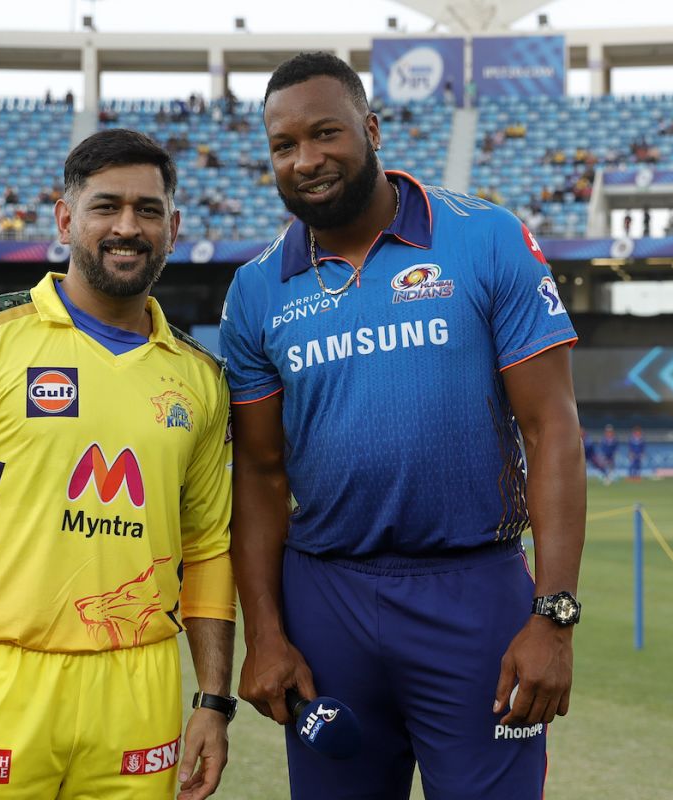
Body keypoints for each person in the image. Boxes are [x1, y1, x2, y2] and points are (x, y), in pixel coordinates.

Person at [219, 52, 585, 800]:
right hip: (326, 603)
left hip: (474, 594)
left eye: (326, 134)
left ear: (372, 128)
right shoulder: (256, 290)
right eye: (284, 146)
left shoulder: (483, 238)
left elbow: (553, 428)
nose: (307, 160)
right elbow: (258, 473)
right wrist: (265, 634)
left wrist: (554, 615)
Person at [0, 129, 235, 800]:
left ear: (174, 227)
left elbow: (208, 546)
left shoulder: (201, 378)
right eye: (106, 206)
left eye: (148, 210)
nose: (128, 227)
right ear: (66, 218)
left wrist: (213, 701)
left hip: (139, 689)